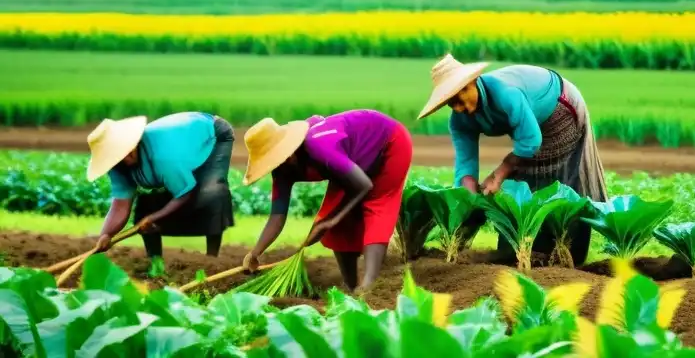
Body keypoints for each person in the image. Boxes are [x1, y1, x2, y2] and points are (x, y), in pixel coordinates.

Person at [418, 54, 608, 265]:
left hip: (560, 108)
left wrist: (498, 174)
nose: (460, 106)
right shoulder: (460, 121)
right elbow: (465, 165)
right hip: (531, 126)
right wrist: (467, 202)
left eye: (461, 95)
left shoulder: (505, 94)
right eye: (451, 103)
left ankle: (566, 256)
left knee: (558, 183)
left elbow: (530, 141)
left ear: (472, 83)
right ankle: (522, 253)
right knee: (522, 187)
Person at [241, 110, 412, 292]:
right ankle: (351, 286)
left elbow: (363, 185)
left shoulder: (319, 146)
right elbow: (277, 216)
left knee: (376, 206)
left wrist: (332, 219)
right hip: (352, 163)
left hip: (389, 144)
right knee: (333, 225)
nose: (275, 167)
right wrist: (255, 253)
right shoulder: (282, 171)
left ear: (288, 154)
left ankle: (369, 287)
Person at [87, 112, 235, 264]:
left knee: (211, 192)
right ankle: (156, 264)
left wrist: (154, 218)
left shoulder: (165, 157)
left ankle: (211, 260)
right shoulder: (118, 168)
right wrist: (106, 235)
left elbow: (186, 193)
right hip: (181, 145)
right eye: (117, 155)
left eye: (125, 149)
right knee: (145, 208)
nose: (125, 156)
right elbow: (120, 206)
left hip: (213, 133)